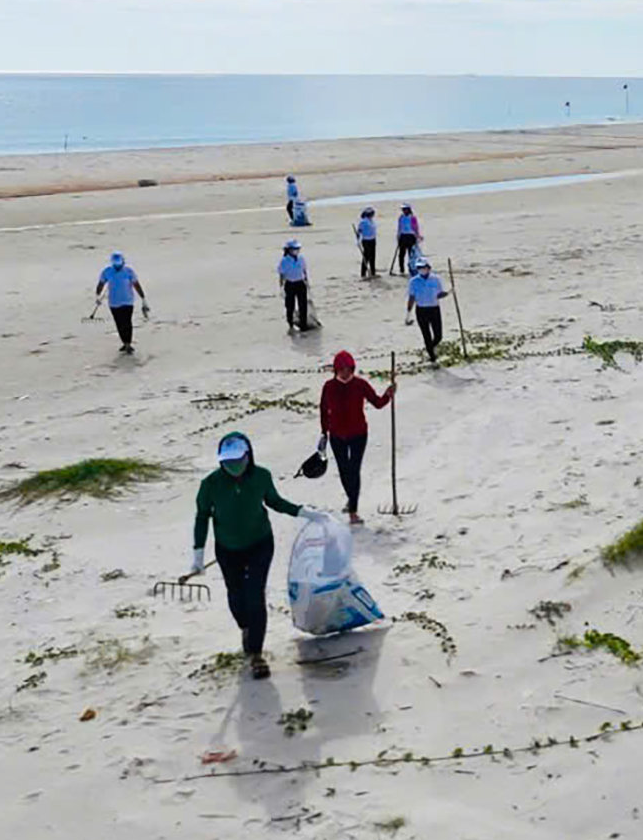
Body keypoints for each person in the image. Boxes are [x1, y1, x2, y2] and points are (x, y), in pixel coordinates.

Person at [188, 431, 328, 679]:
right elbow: (202, 517)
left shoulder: (261, 476)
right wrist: (198, 554)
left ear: (248, 456)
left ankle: (256, 655)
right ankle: (246, 627)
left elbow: (275, 502)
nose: (233, 466)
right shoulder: (210, 485)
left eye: (238, 460)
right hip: (227, 549)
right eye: (227, 462)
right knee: (236, 597)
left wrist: (305, 512)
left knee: (255, 595)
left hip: (260, 544)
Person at [319, 351, 395, 524]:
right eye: (342, 369)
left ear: (353, 369)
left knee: (354, 470)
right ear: (336, 370)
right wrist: (324, 432)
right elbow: (323, 410)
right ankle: (351, 497)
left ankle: (353, 511)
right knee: (344, 471)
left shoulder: (360, 385)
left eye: (349, 369)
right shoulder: (328, 387)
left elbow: (377, 402)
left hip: (358, 434)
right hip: (336, 435)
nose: (345, 373)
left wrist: (388, 395)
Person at [95, 251, 150, 354]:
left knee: (127, 322)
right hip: (114, 303)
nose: (118, 265)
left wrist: (143, 298)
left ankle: (128, 344)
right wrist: (98, 296)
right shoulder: (107, 272)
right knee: (119, 323)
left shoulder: (129, 272)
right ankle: (125, 343)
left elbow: (136, 285)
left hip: (128, 302)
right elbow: (101, 284)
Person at [404, 257, 449, 363]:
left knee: (438, 336)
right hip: (421, 310)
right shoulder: (413, 281)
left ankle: (430, 347)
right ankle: (432, 356)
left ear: (428, 268)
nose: (421, 269)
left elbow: (439, 294)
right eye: (419, 268)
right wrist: (408, 314)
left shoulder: (436, 279)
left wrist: (448, 293)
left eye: (423, 267)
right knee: (426, 335)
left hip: (434, 309)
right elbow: (412, 298)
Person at [278, 239, 310, 332]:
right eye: (294, 249)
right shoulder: (284, 261)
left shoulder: (301, 258)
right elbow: (281, 275)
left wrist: (307, 283)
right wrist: (281, 288)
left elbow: (304, 271)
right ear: (289, 250)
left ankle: (303, 325)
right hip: (290, 284)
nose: (296, 251)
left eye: (297, 249)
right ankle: (290, 323)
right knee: (290, 306)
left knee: (303, 305)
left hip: (300, 283)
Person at [393, 203, 421, 275]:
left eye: (405, 209)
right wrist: (398, 236)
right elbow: (399, 227)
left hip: (411, 236)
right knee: (401, 254)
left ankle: (411, 269)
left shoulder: (413, 217)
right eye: (403, 209)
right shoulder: (401, 217)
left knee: (411, 254)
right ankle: (401, 269)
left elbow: (416, 228)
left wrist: (418, 236)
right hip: (403, 236)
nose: (404, 211)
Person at [355, 207, 378, 279]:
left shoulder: (371, 221)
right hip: (366, 241)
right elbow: (359, 231)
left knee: (373, 257)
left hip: (372, 240)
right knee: (366, 257)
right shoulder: (363, 221)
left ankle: (373, 272)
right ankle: (363, 274)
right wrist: (358, 240)